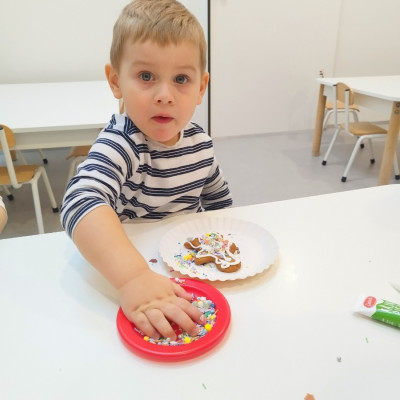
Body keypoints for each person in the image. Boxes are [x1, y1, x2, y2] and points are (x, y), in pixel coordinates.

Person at [61, 0, 232, 341]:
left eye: (181, 79)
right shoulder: (122, 144)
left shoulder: (201, 143)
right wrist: (133, 278)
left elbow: (220, 205)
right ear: (116, 81)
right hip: (135, 270)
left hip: (191, 269)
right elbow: (80, 201)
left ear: (201, 87)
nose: (164, 95)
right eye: (146, 76)